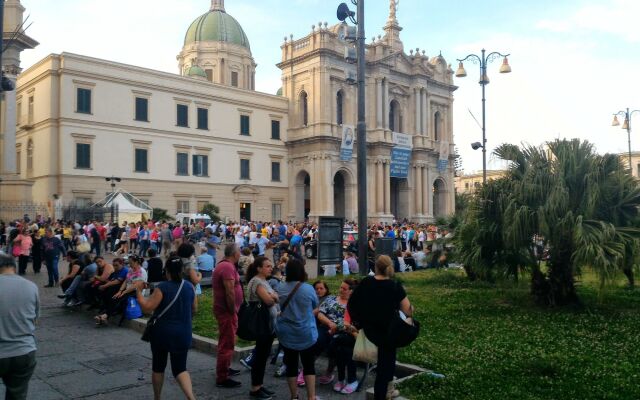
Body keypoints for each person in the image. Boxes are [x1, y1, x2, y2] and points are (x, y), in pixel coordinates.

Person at [348, 255, 414, 400]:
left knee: (384, 368)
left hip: (369, 331)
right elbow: (408, 310)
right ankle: (384, 392)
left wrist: (358, 323)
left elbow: (352, 303)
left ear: (376, 267)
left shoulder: (366, 282)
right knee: (384, 370)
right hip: (387, 333)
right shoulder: (395, 286)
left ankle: (388, 390)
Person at [135, 257, 197, 400]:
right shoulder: (189, 286)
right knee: (181, 368)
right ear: (182, 270)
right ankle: (191, 397)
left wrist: (138, 291)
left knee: (158, 366)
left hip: (162, 333)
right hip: (183, 332)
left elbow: (147, 308)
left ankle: (158, 397)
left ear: (167, 271)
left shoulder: (162, 287)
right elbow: (194, 309)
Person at [276, 259, 319, 400]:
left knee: (291, 365)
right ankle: (311, 396)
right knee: (309, 365)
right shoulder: (308, 288)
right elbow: (315, 304)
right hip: (305, 331)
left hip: (287, 332)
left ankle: (294, 396)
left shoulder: (280, 288)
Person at [0, 253, 39, 400]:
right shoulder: (31, 286)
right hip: (24, 351)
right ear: (13, 266)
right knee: (17, 395)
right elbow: (35, 320)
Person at [245, 256, 279, 399]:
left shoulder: (264, 281)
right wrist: (273, 296)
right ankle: (255, 388)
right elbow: (269, 301)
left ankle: (259, 385)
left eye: (271, 266)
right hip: (262, 324)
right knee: (260, 356)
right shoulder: (257, 281)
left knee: (263, 355)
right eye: (267, 266)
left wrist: (273, 296)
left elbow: (274, 296)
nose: (270, 268)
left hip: (268, 324)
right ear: (259, 268)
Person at [213, 244, 243, 388]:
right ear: (234, 253)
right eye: (239, 251)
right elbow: (229, 291)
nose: (240, 254)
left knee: (226, 340)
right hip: (227, 311)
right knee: (227, 343)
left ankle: (225, 367)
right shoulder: (227, 267)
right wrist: (232, 310)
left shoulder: (226, 265)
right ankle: (222, 377)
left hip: (226, 311)